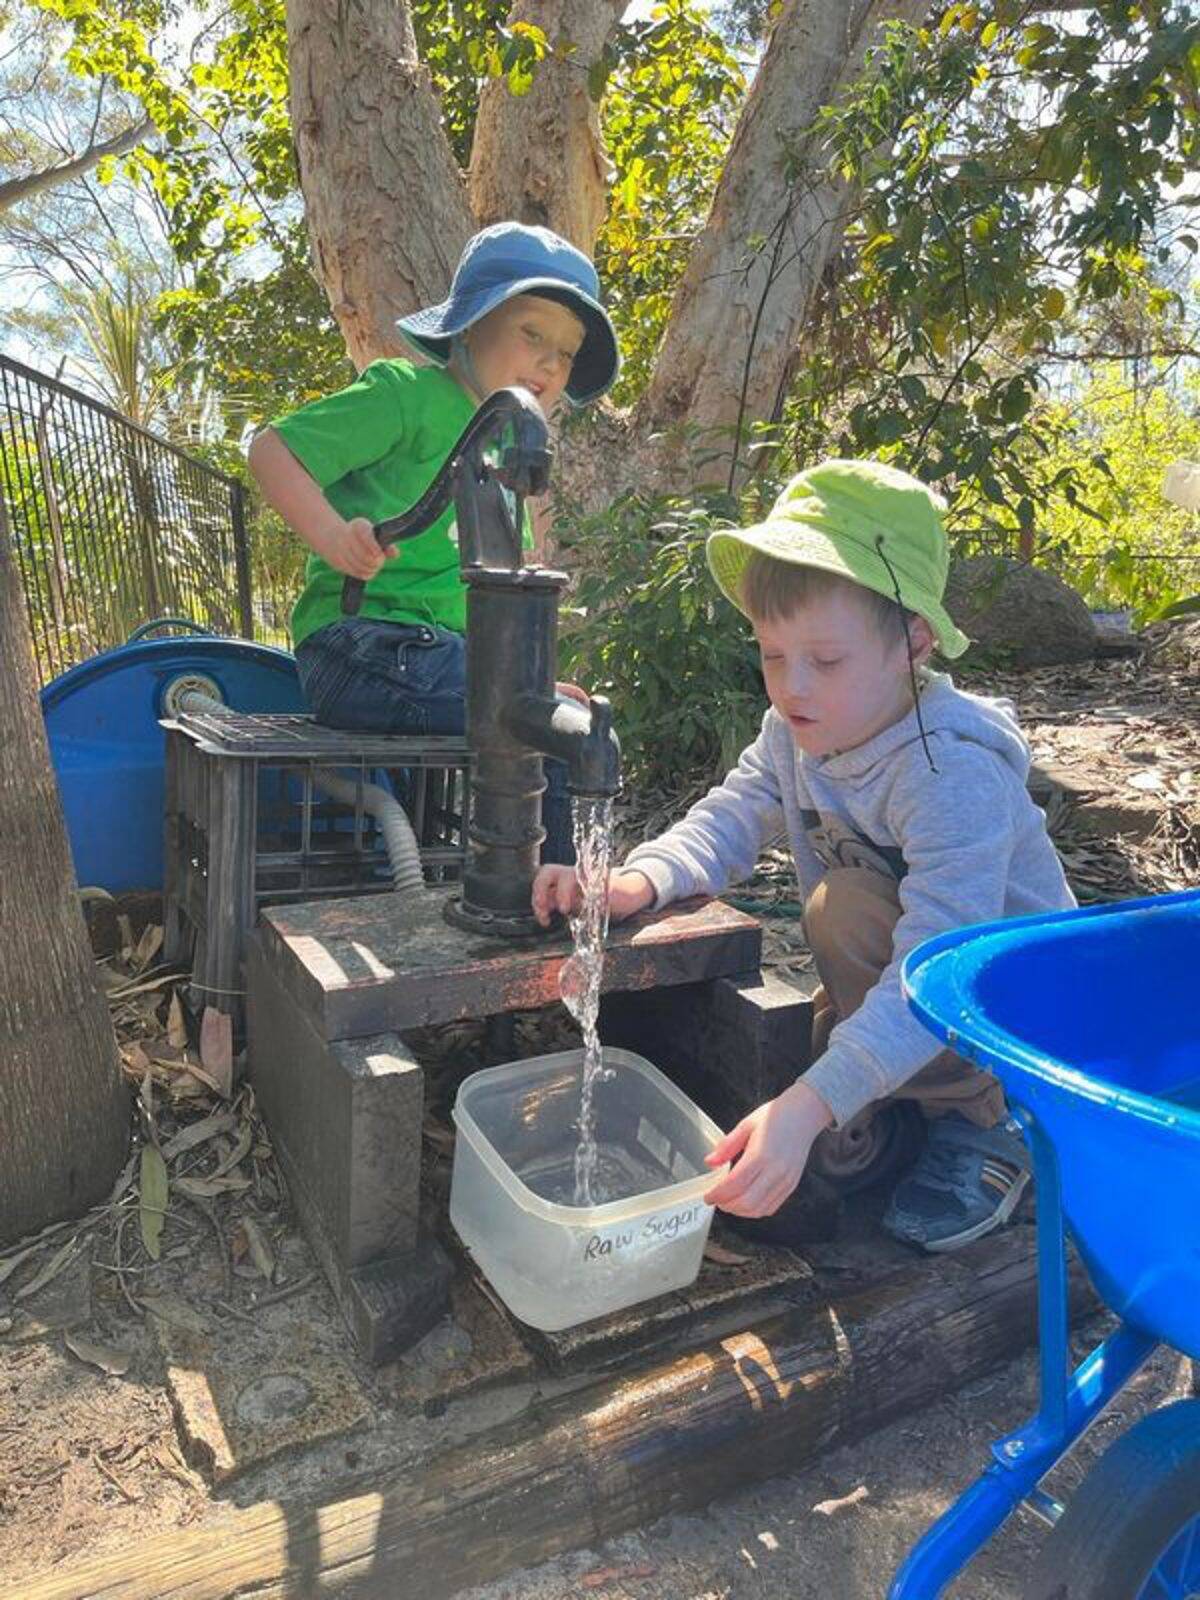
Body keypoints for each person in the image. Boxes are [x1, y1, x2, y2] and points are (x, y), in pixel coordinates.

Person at [532, 459, 1076, 1251]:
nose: (792, 687)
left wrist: (812, 1103)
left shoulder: (949, 772)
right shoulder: (793, 732)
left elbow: (937, 962)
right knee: (840, 959)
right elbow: (730, 817)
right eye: (772, 655)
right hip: (912, 994)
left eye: (825, 660)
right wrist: (636, 881)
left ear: (913, 643)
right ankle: (901, 1098)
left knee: (843, 909)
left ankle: (986, 1126)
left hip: (1021, 1017)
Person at [248, 221, 621, 862]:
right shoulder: (408, 396)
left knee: (559, 721)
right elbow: (271, 449)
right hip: (359, 645)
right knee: (540, 726)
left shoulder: (506, 449)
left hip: (435, 655)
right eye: (533, 333)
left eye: (566, 351)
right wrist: (335, 536)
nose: (551, 363)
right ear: (470, 324)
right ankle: (555, 897)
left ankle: (543, 887)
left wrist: (533, 679)